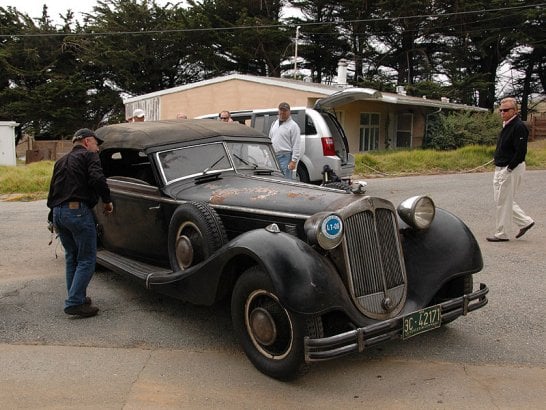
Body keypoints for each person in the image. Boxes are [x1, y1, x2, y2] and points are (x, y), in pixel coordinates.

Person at [47, 128, 114, 317]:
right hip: (77, 212)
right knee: (87, 259)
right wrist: (107, 201)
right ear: (86, 142)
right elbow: (98, 179)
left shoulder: (60, 161)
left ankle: (77, 297)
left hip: (59, 212)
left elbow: (52, 191)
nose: (98, 148)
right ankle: (75, 302)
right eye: (96, 143)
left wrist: (52, 216)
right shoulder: (89, 156)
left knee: (72, 257)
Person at [486, 97, 535, 242]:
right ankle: (525, 222)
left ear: (515, 110)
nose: (502, 112)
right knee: (501, 200)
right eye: (501, 110)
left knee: (503, 202)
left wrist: (509, 169)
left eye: (506, 110)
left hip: (511, 169)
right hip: (500, 167)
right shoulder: (506, 125)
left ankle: (502, 234)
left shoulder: (519, 127)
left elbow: (520, 152)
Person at [268, 102, 301, 179]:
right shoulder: (274, 123)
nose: (282, 112)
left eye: (285, 110)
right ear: (278, 111)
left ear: (289, 112)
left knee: (284, 180)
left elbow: (296, 144)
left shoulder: (293, 126)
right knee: (274, 179)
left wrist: (293, 161)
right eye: (281, 110)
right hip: (273, 157)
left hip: (285, 157)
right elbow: (270, 140)